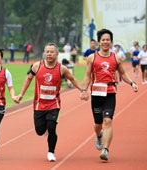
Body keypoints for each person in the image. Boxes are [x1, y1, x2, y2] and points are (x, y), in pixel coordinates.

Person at [16, 43, 83, 162]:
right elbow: (28, 78)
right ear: (44, 53)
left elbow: (72, 79)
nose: (49, 54)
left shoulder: (61, 68)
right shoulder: (37, 66)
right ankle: (44, 128)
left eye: (52, 52)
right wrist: (21, 94)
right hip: (39, 104)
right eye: (47, 52)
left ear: (57, 54)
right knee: (39, 131)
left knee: (52, 127)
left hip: (54, 104)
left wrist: (82, 90)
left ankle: (51, 152)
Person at [80, 29, 138, 161]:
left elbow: (122, 74)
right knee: (98, 123)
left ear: (111, 43)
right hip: (96, 93)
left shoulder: (116, 58)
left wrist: (132, 83)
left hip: (110, 92)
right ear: (99, 42)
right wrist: (84, 90)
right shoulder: (92, 57)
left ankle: (105, 149)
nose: (106, 42)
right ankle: (99, 135)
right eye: (103, 40)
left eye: (108, 40)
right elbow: (88, 75)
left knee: (108, 120)